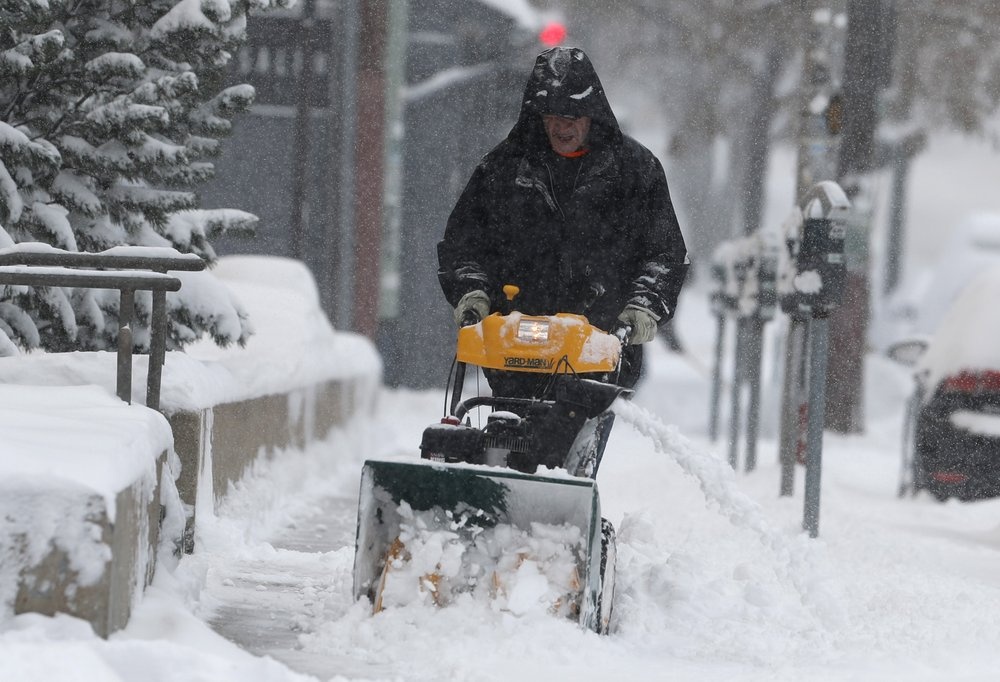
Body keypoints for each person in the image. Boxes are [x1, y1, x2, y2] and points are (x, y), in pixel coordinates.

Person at [437, 46, 688, 394]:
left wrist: (643, 306)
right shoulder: (503, 169)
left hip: (600, 350)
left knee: (574, 422)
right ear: (537, 115)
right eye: (552, 115)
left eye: (572, 115)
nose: (561, 126)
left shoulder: (635, 172)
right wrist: (471, 290)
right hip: (514, 351)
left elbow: (664, 253)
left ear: (592, 115)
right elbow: (464, 242)